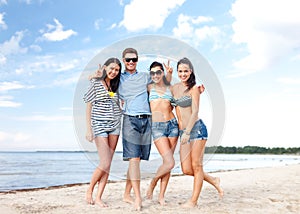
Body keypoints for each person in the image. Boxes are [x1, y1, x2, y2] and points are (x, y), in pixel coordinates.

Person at [172, 57, 223, 208]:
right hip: (183, 132)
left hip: (196, 130)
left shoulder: (194, 89)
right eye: (180, 71)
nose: (183, 74)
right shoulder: (175, 88)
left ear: (191, 71)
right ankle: (213, 180)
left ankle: (193, 201)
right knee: (186, 169)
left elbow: (195, 112)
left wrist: (187, 132)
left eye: (186, 71)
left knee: (197, 165)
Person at [83, 57, 122, 207]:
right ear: (105, 68)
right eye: (111, 68)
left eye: (117, 70)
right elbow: (88, 106)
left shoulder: (116, 86)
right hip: (99, 126)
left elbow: (117, 104)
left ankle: (99, 197)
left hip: (115, 126)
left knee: (108, 163)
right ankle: (90, 190)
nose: (113, 72)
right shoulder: (95, 83)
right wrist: (89, 129)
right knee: (104, 162)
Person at [145, 61, 178, 205]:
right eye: (152, 73)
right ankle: (153, 183)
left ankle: (161, 195)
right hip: (157, 127)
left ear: (162, 73)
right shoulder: (148, 87)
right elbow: (126, 90)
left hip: (172, 126)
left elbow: (180, 107)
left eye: (158, 72)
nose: (155, 75)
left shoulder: (171, 88)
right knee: (170, 161)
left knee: (168, 163)